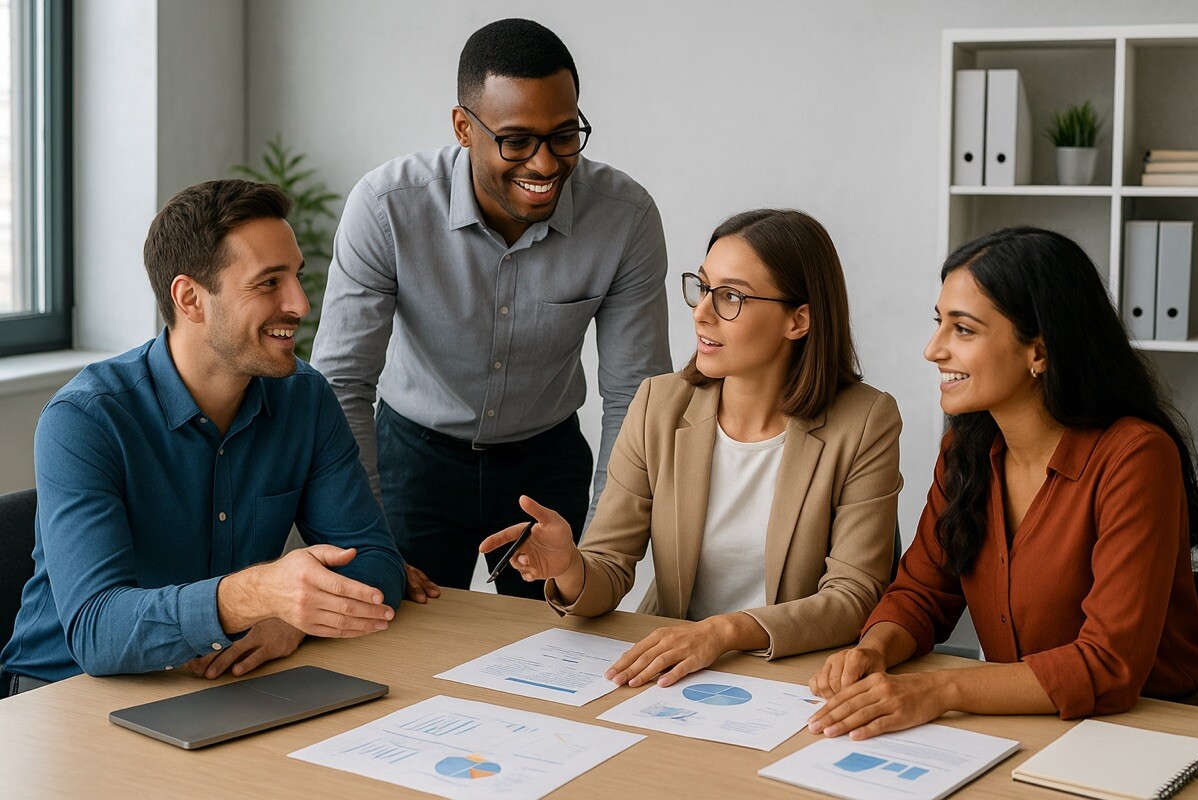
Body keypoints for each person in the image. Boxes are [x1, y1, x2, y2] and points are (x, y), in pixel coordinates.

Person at [310, 18, 671, 603]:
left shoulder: (625, 218)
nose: (545, 164)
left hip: (546, 463)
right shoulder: (386, 207)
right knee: (401, 631)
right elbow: (341, 382)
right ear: (463, 127)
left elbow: (636, 395)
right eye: (517, 141)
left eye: (563, 135)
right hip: (414, 461)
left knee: (557, 641)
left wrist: (599, 551)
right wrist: (369, 539)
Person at [0, 180, 408, 696]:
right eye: (269, 283)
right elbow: (97, 632)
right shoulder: (84, 421)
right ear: (190, 299)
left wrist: (290, 620)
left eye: (297, 277)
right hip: (63, 692)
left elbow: (375, 559)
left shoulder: (304, 398)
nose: (301, 304)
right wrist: (257, 594)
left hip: (217, 684)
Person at [480, 209, 902, 688]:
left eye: (731, 297)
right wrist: (569, 566)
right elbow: (609, 566)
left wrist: (723, 632)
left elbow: (853, 596)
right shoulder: (658, 404)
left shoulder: (866, 421)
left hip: (793, 673)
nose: (701, 312)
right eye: (702, 288)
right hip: (673, 668)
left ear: (798, 320)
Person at [808, 227, 1198, 741]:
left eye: (963, 330)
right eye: (939, 323)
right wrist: (873, 650)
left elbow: (1109, 664)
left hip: (1148, 733)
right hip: (1024, 725)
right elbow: (922, 594)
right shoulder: (965, 450)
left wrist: (939, 691)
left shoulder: (1136, 456)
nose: (933, 349)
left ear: (1039, 350)